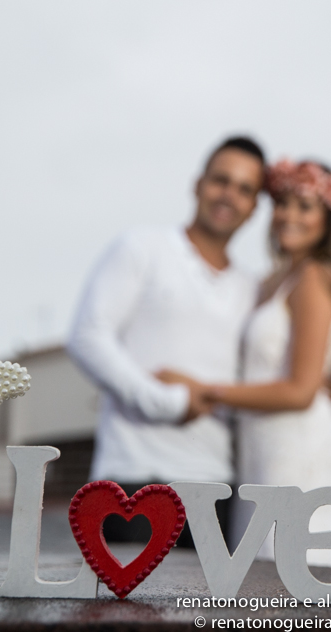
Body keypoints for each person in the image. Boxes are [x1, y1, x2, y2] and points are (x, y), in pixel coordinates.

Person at [67, 136, 266, 547]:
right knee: (123, 611)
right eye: (220, 180)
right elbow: (88, 336)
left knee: (205, 613)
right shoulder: (142, 247)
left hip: (218, 487)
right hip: (136, 479)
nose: (229, 194)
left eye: (244, 188)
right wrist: (164, 401)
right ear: (198, 184)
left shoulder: (252, 289)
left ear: (254, 207)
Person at [158, 158, 331, 567]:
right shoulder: (278, 280)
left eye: (305, 206)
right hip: (263, 447)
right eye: (282, 204)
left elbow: (301, 391)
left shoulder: (314, 278)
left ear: (328, 220)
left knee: (294, 576)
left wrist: (204, 391)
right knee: (256, 575)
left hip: (297, 448)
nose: (288, 215)